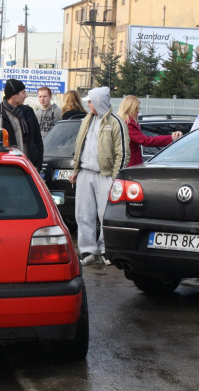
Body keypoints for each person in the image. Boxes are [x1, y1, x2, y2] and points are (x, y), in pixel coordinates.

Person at [68, 87, 130, 266]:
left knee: (105, 215)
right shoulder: (87, 120)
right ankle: (88, 251)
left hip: (105, 175)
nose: (88, 105)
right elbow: (80, 146)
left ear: (99, 102)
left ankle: (105, 250)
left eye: (91, 102)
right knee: (83, 214)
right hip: (85, 174)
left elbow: (122, 153)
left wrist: (115, 178)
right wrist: (76, 170)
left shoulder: (116, 122)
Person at [0, 79, 44, 170]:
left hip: (30, 167)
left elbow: (38, 140)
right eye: (23, 92)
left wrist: (37, 166)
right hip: (8, 170)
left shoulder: (28, 112)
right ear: (14, 95)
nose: (26, 96)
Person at [118, 95, 182, 167]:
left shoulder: (124, 122)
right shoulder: (128, 124)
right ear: (129, 109)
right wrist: (171, 138)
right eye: (136, 109)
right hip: (131, 162)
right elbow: (145, 141)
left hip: (130, 161)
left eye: (138, 108)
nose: (138, 111)